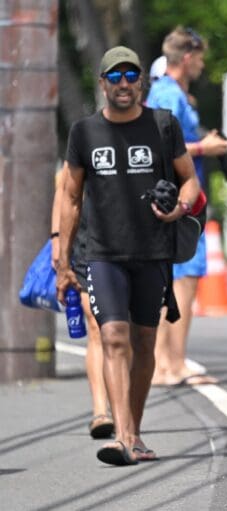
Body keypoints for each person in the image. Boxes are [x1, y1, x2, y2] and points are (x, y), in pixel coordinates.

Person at [56, 45, 200, 465]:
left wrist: (180, 207)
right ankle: (122, 436)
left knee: (144, 340)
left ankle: (133, 433)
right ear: (102, 84)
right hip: (103, 254)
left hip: (153, 252)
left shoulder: (163, 125)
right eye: (114, 76)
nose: (123, 83)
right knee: (114, 337)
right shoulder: (84, 133)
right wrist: (63, 261)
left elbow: (188, 180)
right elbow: (70, 198)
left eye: (130, 76)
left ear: (141, 82)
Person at [146, 27, 227, 386]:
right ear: (187, 58)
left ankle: (166, 363)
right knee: (183, 281)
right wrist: (204, 148)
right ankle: (171, 364)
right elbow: (159, 144)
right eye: (200, 57)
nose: (203, 64)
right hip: (180, 199)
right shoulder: (166, 93)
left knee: (175, 280)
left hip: (182, 197)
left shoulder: (174, 93)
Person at [51, 163, 113, 440]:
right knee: (96, 326)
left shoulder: (147, 129)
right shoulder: (86, 134)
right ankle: (101, 411)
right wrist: (57, 240)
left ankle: (126, 411)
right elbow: (66, 190)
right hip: (88, 242)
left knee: (127, 332)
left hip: (135, 245)